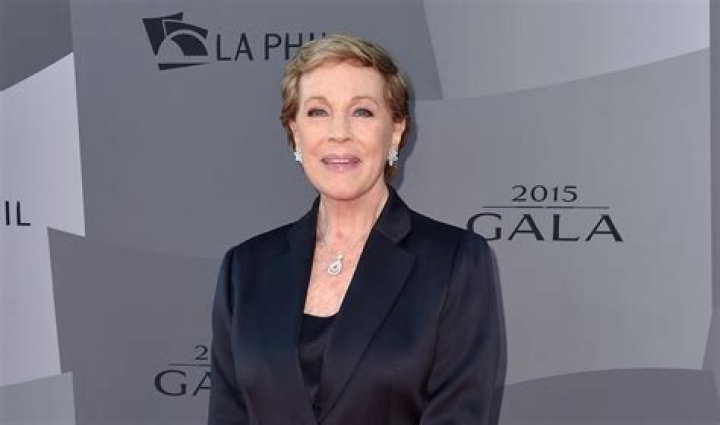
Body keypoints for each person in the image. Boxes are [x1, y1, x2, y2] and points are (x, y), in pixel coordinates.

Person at [208, 34, 506, 425]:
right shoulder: (244, 268)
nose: (339, 133)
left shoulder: (455, 261)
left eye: (362, 111)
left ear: (395, 130)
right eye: (318, 111)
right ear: (295, 131)